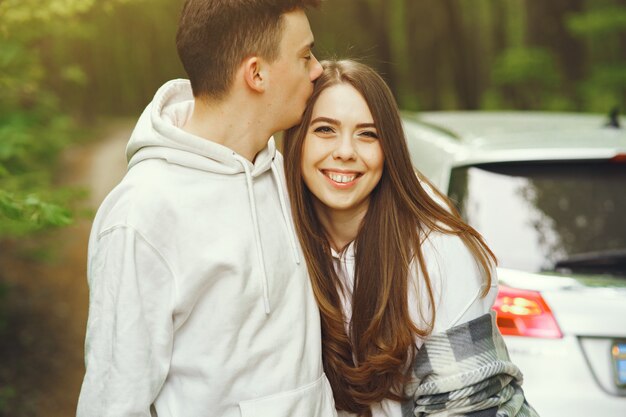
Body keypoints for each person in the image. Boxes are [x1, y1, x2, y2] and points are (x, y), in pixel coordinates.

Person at [77, 1, 339, 416]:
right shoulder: (142, 214)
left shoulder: (285, 175)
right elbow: (114, 401)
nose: (317, 70)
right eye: (304, 56)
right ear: (256, 73)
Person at [283, 60, 539, 417]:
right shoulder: (278, 233)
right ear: (297, 139)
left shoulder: (436, 250)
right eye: (325, 129)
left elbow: (467, 408)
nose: (345, 151)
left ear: (389, 150)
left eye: (367, 134)